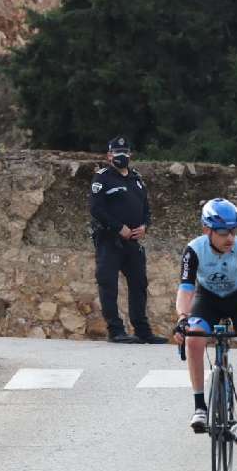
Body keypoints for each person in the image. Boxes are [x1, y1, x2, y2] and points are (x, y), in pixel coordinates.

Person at [171, 198, 237, 444]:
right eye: (223, 232)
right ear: (207, 230)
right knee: (192, 340)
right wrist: (182, 319)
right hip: (208, 299)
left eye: (234, 230)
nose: (230, 237)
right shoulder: (194, 249)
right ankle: (200, 406)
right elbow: (186, 289)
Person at [88, 135, 168, 345]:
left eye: (124, 152)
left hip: (133, 241)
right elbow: (96, 209)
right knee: (108, 284)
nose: (121, 156)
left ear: (130, 154)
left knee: (139, 283)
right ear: (109, 155)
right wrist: (118, 227)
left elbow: (146, 209)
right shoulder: (102, 178)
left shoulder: (136, 179)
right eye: (116, 152)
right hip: (109, 240)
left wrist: (144, 226)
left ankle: (142, 330)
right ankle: (115, 330)